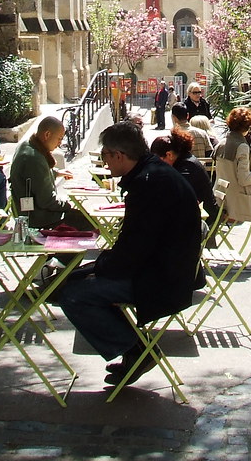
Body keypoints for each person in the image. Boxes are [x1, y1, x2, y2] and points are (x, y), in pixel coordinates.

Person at [57, 122, 202, 386]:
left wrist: (100, 266)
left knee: (73, 294)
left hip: (163, 280)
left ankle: (136, 350)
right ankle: (135, 350)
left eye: (105, 156)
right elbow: (136, 246)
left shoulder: (149, 182)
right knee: (74, 281)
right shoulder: (151, 175)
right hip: (164, 270)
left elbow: (135, 249)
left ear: (118, 155)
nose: (105, 163)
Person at [9, 116, 88, 230]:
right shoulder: (34, 158)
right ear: (47, 135)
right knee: (86, 221)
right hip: (39, 219)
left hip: (28, 213)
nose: (60, 143)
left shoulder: (27, 145)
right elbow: (46, 201)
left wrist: (56, 173)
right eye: (59, 139)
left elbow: (34, 175)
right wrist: (68, 203)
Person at [150, 129, 218, 229]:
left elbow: (173, 194)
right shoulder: (182, 161)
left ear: (169, 155)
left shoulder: (187, 167)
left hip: (203, 220)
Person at [214, 108, 251, 222]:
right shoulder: (242, 147)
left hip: (221, 200)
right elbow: (244, 179)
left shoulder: (221, 144)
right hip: (239, 204)